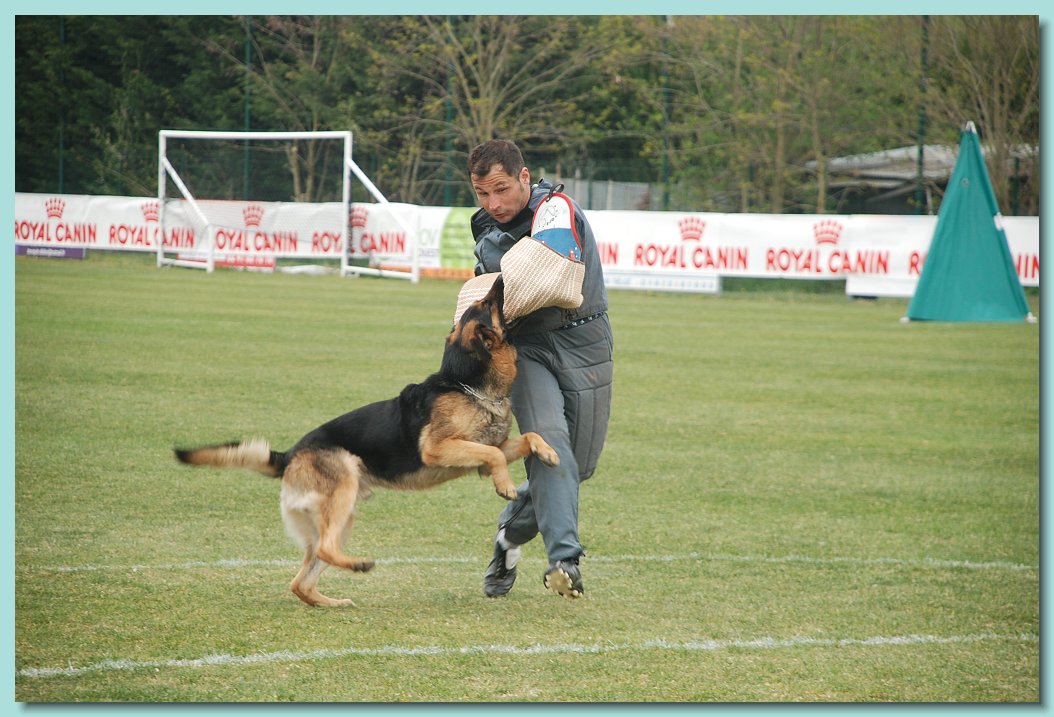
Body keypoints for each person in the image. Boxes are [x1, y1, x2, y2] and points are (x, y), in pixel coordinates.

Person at [468, 139, 613, 599]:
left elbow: (548, 271)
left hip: (586, 341)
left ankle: (508, 536)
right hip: (526, 349)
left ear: (525, 177)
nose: (493, 204)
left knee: (577, 468)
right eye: (482, 193)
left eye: (501, 189)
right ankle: (565, 561)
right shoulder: (484, 228)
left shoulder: (557, 209)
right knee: (549, 445)